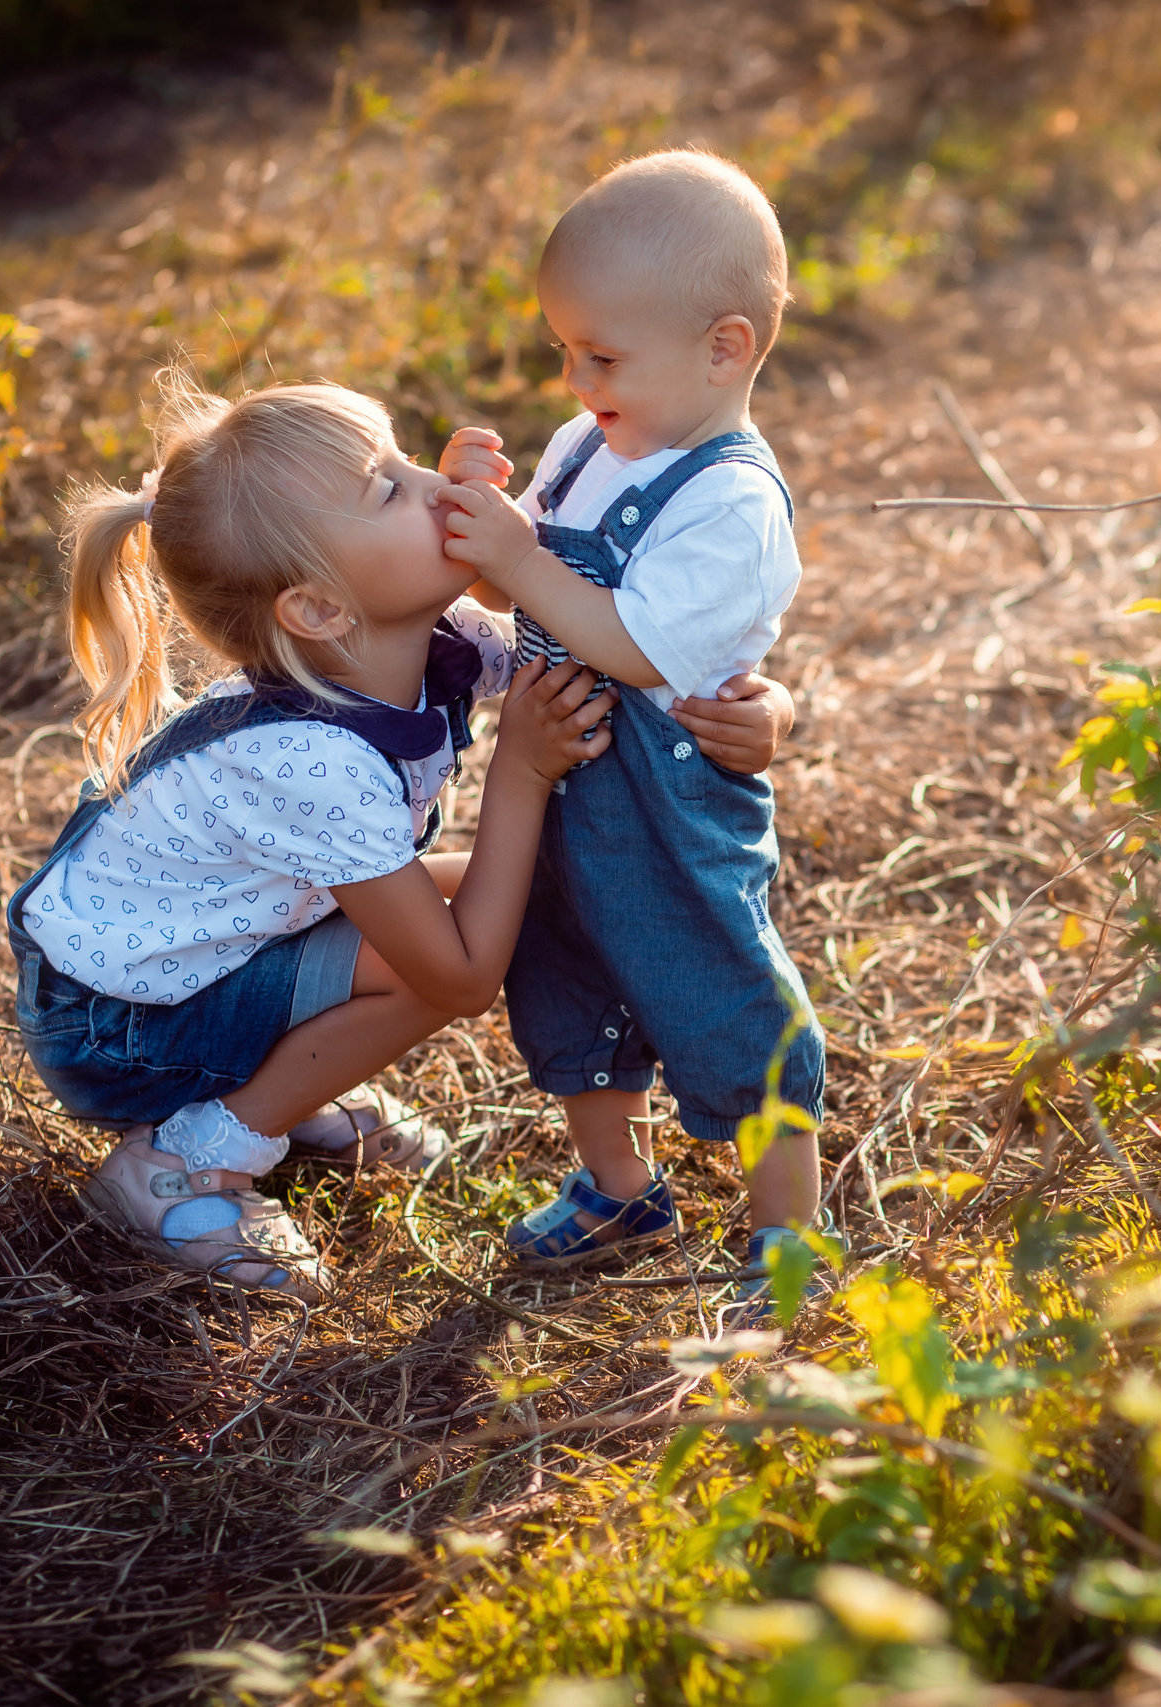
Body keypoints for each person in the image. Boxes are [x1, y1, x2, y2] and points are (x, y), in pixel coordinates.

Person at [9, 373, 793, 1299]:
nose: (433, 482)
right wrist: (520, 770)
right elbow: (458, 979)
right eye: (389, 488)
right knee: (456, 949)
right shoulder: (309, 759)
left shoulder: (440, 638)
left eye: (403, 458)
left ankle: (281, 1094)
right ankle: (187, 1158)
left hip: (206, 954)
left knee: (520, 888)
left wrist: (765, 706)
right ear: (319, 608)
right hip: (117, 1025)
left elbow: (604, 659)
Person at [437, 147, 827, 1312]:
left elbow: (639, 647)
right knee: (563, 988)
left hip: (666, 804)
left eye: (601, 355)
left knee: (721, 995)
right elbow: (528, 594)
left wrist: (519, 561)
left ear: (724, 348)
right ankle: (620, 1183)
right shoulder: (585, 444)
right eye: (568, 347)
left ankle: (785, 1235)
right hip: (561, 787)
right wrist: (483, 525)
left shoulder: (731, 502)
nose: (574, 375)